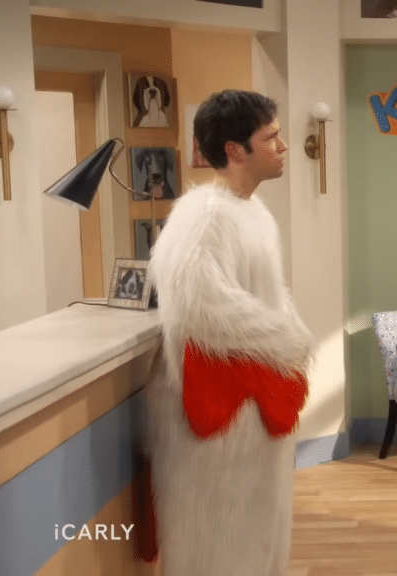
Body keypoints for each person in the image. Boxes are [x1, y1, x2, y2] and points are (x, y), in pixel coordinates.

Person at [144, 89, 312, 576]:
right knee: (218, 536)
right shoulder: (205, 217)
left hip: (256, 402)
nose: (283, 146)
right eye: (271, 137)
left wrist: (287, 342)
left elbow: (269, 295)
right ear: (236, 150)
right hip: (223, 413)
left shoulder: (252, 212)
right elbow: (199, 303)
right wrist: (286, 342)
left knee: (254, 530)